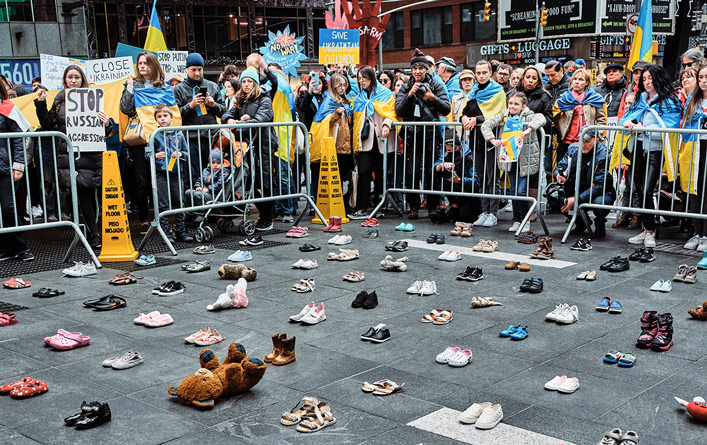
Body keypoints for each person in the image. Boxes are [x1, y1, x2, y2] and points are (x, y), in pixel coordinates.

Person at [35, 65, 111, 249]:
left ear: (82, 79)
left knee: (92, 194)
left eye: (77, 77)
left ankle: (96, 231)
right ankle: (93, 234)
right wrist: (41, 105)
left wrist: (107, 123)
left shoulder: (93, 98)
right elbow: (49, 125)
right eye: (70, 77)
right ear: (65, 79)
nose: (73, 80)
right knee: (82, 193)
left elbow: (104, 129)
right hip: (71, 155)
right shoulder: (60, 100)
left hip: (91, 153)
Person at [621, 64, 682, 248]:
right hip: (637, 148)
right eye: (644, 79)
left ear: (659, 79)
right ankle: (647, 229)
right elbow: (627, 117)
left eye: (650, 79)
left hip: (655, 151)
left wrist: (644, 128)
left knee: (647, 190)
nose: (647, 82)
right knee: (639, 190)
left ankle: (650, 231)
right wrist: (629, 124)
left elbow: (669, 128)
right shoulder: (640, 98)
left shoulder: (669, 101)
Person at [395, 48, 451, 220]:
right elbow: (398, 109)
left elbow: (447, 108)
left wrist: (432, 98)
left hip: (431, 135)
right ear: (411, 70)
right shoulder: (405, 86)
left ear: (427, 69)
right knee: (412, 173)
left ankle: (432, 206)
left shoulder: (437, 84)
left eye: (421, 68)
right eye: (414, 68)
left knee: (432, 171)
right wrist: (409, 95)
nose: (418, 71)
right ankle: (413, 207)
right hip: (412, 136)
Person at [481, 91, 545, 232]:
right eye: (510, 103)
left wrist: (529, 129)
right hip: (510, 158)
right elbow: (486, 125)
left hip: (525, 159)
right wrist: (492, 139)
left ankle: (525, 220)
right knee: (513, 191)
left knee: (521, 192)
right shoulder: (504, 115)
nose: (512, 106)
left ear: (523, 106)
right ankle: (517, 220)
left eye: (516, 104)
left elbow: (541, 118)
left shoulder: (528, 115)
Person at [120, 51, 169, 234]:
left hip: (161, 139)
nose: (141, 66)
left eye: (145, 63)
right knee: (142, 179)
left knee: (162, 178)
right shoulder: (133, 84)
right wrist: (130, 89)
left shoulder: (162, 86)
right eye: (139, 63)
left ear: (153, 65)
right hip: (141, 140)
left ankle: (162, 217)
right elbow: (125, 108)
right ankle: (143, 219)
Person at [223, 68, 277, 231]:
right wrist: (232, 120)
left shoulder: (264, 99)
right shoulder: (240, 99)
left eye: (249, 81)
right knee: (250, 182)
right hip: (248, 147)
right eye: (244, 81)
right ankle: (264, 215)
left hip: (264, 145)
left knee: (264, 183)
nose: (246, 84)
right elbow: (227, 115)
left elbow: (261, 119)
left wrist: (242, 123)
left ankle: (267, 217)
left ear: (255, 84)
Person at [460, 59, 506, 227]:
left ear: (490, 73)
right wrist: (464, 117)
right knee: (481, 177)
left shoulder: (498, 91)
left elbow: (499, 114)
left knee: (492, 177)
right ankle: (484, 210)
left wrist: (475, 118)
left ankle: (493, 213)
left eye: (484, 72)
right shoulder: (473, 91)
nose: (480, 76)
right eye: (478, 73)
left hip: (492, 140)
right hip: (475, 140)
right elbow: (463, 112)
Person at [351, 66, 397, 218]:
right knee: (363, 172)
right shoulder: (358, 97)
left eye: (363, 78)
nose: (360, 81)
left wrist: (387, 124)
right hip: (366, 141)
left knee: (381, 173)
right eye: (359, 78)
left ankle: (380, 205)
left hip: (383, 140)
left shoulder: (386, 94)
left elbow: (392, 113)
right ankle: (362, 206)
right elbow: (356, 120)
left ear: (371, 77)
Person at [173, 52, 226, 185]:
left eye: (200, 69)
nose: (197, 73)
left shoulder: (212, 86)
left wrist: (213, 105)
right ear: (187, 70)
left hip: (211, 137)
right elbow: (175, 115)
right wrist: (190, 105)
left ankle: (210, 199)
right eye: (193, 70)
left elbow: (224, 112)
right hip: (190, 138)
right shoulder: (179, 89)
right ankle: (193, 200)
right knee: (192, 173)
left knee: (212, 170)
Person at [553, 129, 616, 237]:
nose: (583, 144)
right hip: (577, 188)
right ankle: (581, 222)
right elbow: (560, 166)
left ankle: (600, 222)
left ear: (596, 140)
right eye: (581, 140)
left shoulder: (604, 155)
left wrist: (577, 199)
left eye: (587, 141)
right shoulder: (573, 148)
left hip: (600, 191)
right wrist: (559, 175)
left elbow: (599, 185)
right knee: (554, 198)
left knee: (599, 204)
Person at [308, 73, 354, 210]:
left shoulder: (346, 101)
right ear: (334, 86)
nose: (342, 88)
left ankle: (344, 204)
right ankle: (333, 206)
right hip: (335, 145)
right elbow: (323, 121)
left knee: (346, 175)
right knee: (335, 177)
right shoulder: (329, 101)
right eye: (339, 85)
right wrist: (336, 114)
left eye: (344, 85)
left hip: (347, 143)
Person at [614, 61, 650, 230]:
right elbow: (623, 119)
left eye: (641, 72)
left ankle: (639, 214)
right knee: (628, 183)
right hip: (629, 142)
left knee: (640, 184)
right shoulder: (631, 93)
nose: (637, 76)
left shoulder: (646, 96)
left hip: (645, 143)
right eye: (635, 72)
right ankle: (627, 213)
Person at [552, 69, 607, 182]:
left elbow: (601, 120)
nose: (577, 82)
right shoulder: (564, 98)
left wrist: (597, 136)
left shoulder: (595, 98)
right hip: (568, 141)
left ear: (587, 83)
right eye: (575, 79)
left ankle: (581, 198)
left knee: (585, 175)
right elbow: (556, 118)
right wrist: (562, 130)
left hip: (588, 143)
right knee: (566, 173)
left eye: (581, 79)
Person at [0, 80, 34, 261]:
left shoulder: (6, 107)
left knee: (8, 208)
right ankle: (6, 248)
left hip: (5, 168)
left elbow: (19, 139)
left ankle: (22, 248)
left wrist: (18, 165)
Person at [150, 104, 193, 243]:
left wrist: (180, 153)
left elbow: (186, 153)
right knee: (163, 204)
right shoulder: (154, 135)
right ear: (156, 120)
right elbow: (147, 154)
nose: (162, 119)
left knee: (179, 202)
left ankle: (181, 230)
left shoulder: (179, 135)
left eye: (165, 116)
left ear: (171, 117)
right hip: (161, 174)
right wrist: (155, 155)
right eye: (159, 117)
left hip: (176, 173)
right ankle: (165, 233)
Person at [680, 62, 707, 251]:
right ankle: (697, 233)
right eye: (701, 78)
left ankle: (706, 235)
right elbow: (686, 125)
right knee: (695, 191)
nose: (704, 82)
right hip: (695, 148)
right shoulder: (693, 98)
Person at [432, 128, 481, 223]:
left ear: (459, 146)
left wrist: (459, 180)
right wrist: (440, 166)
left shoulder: (469, 157)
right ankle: (454, 205)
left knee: (464, 217)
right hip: (456, 193)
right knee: (438, 172)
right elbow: (432, 170)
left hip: (472, 194)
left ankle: (478, 211)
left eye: (454, 149)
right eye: (448, 149)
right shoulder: (445, 155)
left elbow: (476, 182)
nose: (451, 152)